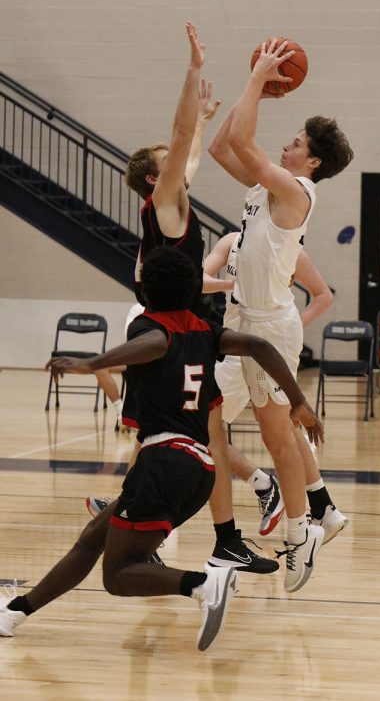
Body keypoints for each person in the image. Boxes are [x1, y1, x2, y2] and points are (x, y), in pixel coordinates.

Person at [0, 248, 322, 647]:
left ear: (145, 291)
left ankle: (204, 585)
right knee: (92, 538)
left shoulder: (149, 325)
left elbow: (155, 343)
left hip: (163, 462)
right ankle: (17, 610)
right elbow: (261, 347)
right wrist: (298, 400)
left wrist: (91, 364)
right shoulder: (207, 330)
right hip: (199, 470)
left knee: (118, 575)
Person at [119, 22, 276, 575]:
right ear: (152, 176)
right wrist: (192, 75)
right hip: (171, 330)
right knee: (186, 433)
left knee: (201, 430)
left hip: (180, 324)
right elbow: (181, 139)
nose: (183, 162)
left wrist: (204, 119)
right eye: (172, 160)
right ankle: (142, 519)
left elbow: (187, 155)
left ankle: (215, 534)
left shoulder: (171, 199)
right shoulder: (164, 203)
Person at [208, 38, 354, 591]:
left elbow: (242, 139)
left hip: (268, 327)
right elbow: (227, 145)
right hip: (241, 324)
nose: (285, 147)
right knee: (213, 422)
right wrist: (260, 94)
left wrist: (257, 80)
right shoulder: (265, 190)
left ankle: (302, 532)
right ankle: (316, 513)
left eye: (294, 144)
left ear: (311, 161)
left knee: (277, 436)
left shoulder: (297, 191)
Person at [203, 231, 334, 536]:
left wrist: (293, 325)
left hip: (259, 348)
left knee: (204, 428)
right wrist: (228, 284)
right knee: (280, 426)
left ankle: (282, 501)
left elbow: (324, 295)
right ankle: (322, 505)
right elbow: (201, 278)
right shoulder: (230, 243)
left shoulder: (289, 251)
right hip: (236, 346)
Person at [94, 302, 144, 433]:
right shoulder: (137, 309)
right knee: (100, 365)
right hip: (134, 356)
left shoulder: (167, 309)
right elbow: (131, 335)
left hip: (157, 358)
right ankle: (121, 412)